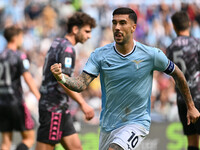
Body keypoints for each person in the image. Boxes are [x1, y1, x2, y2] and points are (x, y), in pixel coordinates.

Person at [51, 7, 200, 150]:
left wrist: (191, 106)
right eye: (114, 22)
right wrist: (61, 77)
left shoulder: (151, 55)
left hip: (136, 122)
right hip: (108, 125)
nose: (117, 27)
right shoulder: (100, 55)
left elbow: (177, 73)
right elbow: (80, 84)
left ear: (133, 27)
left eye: (122, 23)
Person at [35, 12, 96, 150]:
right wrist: (83, 103)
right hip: (53, 108)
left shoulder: (57, 42)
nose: (89, 36)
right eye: (86, 31)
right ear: (75, 29)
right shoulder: (68, 49)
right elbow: (63, 81)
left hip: (61, 107)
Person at [0, 26, 40, 150]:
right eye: (21, 37)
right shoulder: (19, 55)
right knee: (29, 138)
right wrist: (39, 96)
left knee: (6, 142)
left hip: (1, 101)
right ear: (16, 38)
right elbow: (27, 78)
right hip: (15, 101)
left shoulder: (1, 55)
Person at [166, 11, 200, 150]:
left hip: (183, 100)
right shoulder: (196, 43)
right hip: (198, 95)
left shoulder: (170, 48)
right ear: (189, 24)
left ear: (174, 27)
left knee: (191, 142)